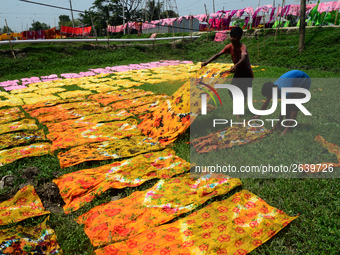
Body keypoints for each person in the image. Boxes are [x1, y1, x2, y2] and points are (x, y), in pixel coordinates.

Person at [201, 27, 253, 118]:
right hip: (238, 73)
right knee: (231, 91)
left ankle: (239, 112)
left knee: (243, 92)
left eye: (235, 37)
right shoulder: (229, 47)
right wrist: (207, 62)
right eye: (231, 37)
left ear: (240, 37)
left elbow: (244, 58)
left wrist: (236, 65)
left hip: (247, 74)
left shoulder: (242, 47)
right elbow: (218, 54)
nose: (232, 39)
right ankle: (239, 106)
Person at [254, 70, 311, 135]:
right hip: (294, 79)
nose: (270, 97)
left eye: (270, 96)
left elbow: (284, 108)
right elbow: (266, 103)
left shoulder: (285, 92)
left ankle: (288, 128)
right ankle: (286, 123)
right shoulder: (272, 88)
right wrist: (258, 115)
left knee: (294, 106)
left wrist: (278, 123)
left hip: (304, 80)